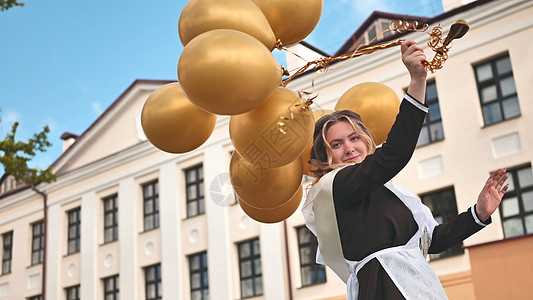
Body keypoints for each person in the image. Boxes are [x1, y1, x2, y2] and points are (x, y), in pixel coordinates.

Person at [301, 40, 509, 300]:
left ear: (366, 140)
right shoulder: (336, 186)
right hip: (383, 288)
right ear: (326, 156)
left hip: (417, 286)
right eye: (336, 144)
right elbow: (394, 155)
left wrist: (478, 213)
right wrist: (418, 81)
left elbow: (433, 240)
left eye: (354, 138)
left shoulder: (396, 195)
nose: (349, 148)